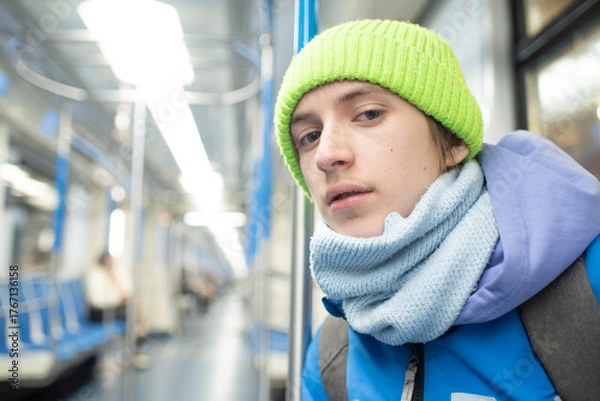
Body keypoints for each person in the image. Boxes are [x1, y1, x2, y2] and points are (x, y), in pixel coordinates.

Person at [273, 19, 600, 400]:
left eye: (368, 114)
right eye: (309, 137)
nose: (327, 155)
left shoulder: (586, 286)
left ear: (453, 139)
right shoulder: (332, 358)